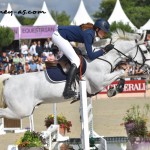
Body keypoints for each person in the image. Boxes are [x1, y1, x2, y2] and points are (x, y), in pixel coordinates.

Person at [52, 18, 113, 99]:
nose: (105, 34)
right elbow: (91, 55)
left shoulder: (91, 33)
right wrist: (104, 50)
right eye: (104, 31)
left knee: (78, 53)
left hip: (61, 35)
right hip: (59, 36)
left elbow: (85, 50)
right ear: (97, 29)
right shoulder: (89, 34)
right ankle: (67, 90)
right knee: (76, 61)